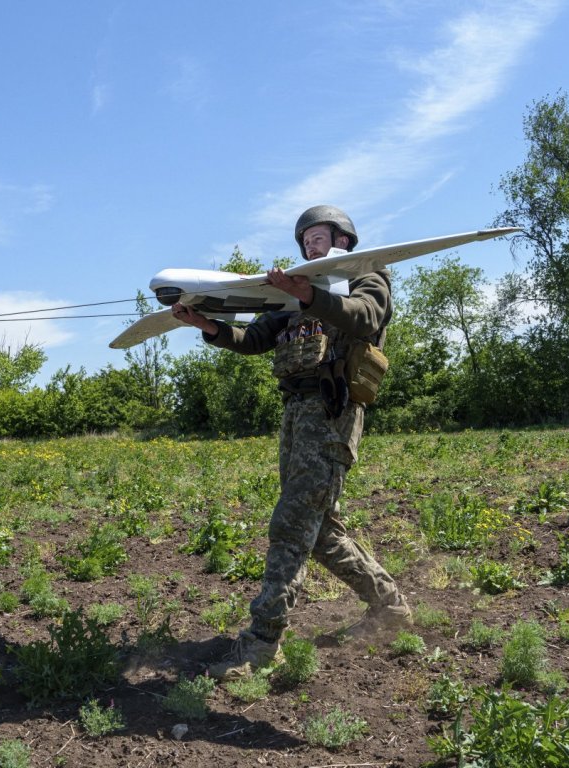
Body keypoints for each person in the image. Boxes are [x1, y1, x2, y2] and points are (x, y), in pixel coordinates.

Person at [172, 205, 412, 680]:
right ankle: (391, 608)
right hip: (295, 415)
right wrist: (210, 328)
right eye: (305, 239)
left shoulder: (367, 275)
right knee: (320, 532)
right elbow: (256, 337)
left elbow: (365, 317)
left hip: (331, 409)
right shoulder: (294, 290)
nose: (310, 245)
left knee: (292, 521)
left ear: (342, 238)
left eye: (319, 236)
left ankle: (262, 643)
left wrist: (311, 297)